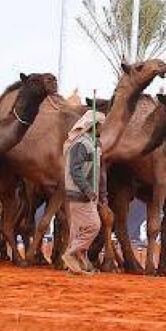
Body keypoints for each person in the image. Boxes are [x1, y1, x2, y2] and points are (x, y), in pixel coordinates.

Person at [61, 109, 103, 275]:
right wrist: (87, 189)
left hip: (87, 193)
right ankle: (71, 254)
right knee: (93, 225)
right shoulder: (81, 144)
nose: (103, 128)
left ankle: (75, 267)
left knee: (78, 230)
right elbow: (75, 170)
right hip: (80, 193)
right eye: (101, 125)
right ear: (94, 126)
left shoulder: (93, 144)